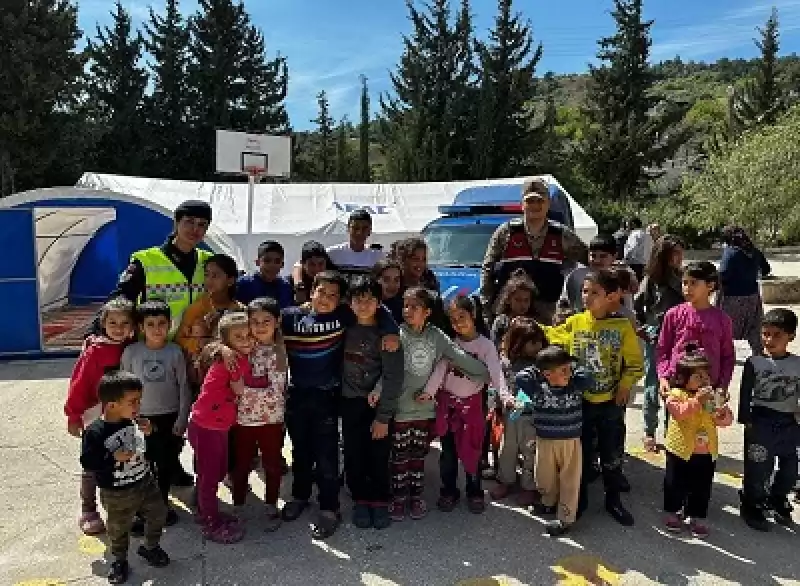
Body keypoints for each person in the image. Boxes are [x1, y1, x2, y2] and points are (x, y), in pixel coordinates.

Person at [279, 270, 399, 539]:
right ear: (311, 292)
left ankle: (329, 506)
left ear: (340, 300)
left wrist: (391, 331)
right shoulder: (289, 317)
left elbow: (378, 311)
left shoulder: (343, 316)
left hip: (328, 396)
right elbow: (256, 322)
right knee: (300, 450)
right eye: (321, 292)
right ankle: (299, 496)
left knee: (327, 454)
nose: (326, 299)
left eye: (333, 295)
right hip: (296, 395)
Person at [103, 199, 214, 488]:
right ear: (176, 222)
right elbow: (122, 297)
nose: (195, 229)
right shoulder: (145, 259)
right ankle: (148, 474)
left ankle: (172, 464)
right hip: (153, 352)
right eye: (189, 222)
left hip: (191, 352)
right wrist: (101, 331)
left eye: (202, 225)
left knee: (182, 411)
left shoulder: (207, 262)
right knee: (153, 414)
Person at [541, 269, 644, 526]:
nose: (586, 296)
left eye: (594, 292)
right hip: (580, 404)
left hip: (610, 404)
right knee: (582, 457)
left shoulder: (622, 327)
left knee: (611, 455)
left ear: (611, 296)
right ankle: (579, 502)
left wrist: (625, 384)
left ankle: (613, 500)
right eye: (585, 291)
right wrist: (529, 324)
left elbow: (635, 364)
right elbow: (553, 336)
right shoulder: (575, 322)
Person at [390, 287, 489, 521]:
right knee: (400, 457)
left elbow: (457, 356)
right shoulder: (397, 334)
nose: (408, 311)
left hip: (425, 411)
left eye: (414, 307)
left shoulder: (437, 337)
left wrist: (483, 374)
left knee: (418, 456)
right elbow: (388, 371)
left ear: (427, 312)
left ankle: (415, 497)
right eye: (405, 306)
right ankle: (398, 498)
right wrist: (377, 392)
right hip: (402, 409)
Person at [425, 295, 515, 515]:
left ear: (473, 315)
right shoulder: (450, 344)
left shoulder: (485, 345)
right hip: (447, 407)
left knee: (472, 451)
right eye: (453, 319)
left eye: (462, 317)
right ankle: (449, 490)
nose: (458, 323)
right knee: (447, 453)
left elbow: (495, 371)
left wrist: (504, 394)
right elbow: (439, 370)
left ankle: (474, 491)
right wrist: (428, 392)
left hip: (473, 407)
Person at [80, 371, 169, 584]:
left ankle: (150, 547)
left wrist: (150, 433)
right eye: (132, 402)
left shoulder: (134, 422)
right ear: (111, 405)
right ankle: (119, 560)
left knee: (158, 514)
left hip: (145, 483)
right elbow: (88, 463)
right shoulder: (95, 432)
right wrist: (112, 457)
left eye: (139, 400)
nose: (138, 406)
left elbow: (151, 450)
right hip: (116, 491)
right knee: (118, 529)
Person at [65, 298, 136, 536]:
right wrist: (73, 414)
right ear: (103, 323)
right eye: (113, 322)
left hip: (125, 414)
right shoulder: (94, 351)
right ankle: (89, 510)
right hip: (97, 414)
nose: (118, 327)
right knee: (94, 463)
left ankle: (127, 504)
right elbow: (79, 383)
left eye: (125, 322)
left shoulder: (133, 346)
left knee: (125, 459)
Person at [341, 276, 404, 530]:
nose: (364, 305)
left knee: (379, 454)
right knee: (354, 454)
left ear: (379, 303)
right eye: (358, 299)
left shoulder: (387, 335)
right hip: (350, 402)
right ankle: (361, 499)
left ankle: (379, 499)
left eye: (370, 300)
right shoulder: (343, 326)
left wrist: (383, 417)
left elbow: (394, 376)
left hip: (378, 407)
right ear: (350, 303)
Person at [120, 301, 190, 530]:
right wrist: (127, 418)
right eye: (150, 324)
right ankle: (143, 507)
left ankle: (161, 503)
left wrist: (182, 418)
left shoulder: (175, 352)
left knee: (165, 463)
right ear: (141, 327)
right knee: (142, 463)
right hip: (141, 419)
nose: (157, 329)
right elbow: (123, 387)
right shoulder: (132, 352)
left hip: (169, 418)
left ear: (169, 325)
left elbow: (183, 387)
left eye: (162, 323)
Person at [480, 178, 588, 325]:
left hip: (548, 314)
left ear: (548, 204)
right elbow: (488, 270)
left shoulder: (561, 234)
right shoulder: (506, 232)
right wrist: (486, 307)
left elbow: (590, 260)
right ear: (522, 205)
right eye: (530, 201)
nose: (535, 206)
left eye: (540, 201)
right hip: (510, 314)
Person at [188, 312, 250, 544]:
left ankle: (207, 511)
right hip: (208, 427)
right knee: (210, 476)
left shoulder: (226, 355)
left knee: (216, 470)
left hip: (215, 425)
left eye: (248, 335)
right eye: (238, 337)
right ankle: (210, 522)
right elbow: (240, 390)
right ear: (226, 341)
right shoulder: (231, 359)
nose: (245, 340)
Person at [228, 297, 288, 532]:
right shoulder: (242, 347)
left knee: (272, 465)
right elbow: (217, 345)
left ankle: (271, 505)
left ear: (277, 322)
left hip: (271, 421)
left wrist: (242, 390)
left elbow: (275, 393)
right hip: (242, 421)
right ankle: (239, 505)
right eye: (254, 321)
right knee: (241, 465)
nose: (260, 326)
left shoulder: (279, 353)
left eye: (266, 320)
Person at [519, 346, 593, 536]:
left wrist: (571, 366)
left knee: (570, 480)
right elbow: (521, 377)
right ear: (547, 374)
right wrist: (538, 368)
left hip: (571, 442)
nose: (569, 373)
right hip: (545, 441)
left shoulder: (575, 386)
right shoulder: (537, 388)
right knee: (544, 477)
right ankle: (547, 502)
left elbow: (588, 377)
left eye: (569, 368)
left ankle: (565, 518)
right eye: (564, 370)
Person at [738, 308, 800, 531]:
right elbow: (745, 394)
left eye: (776, 335)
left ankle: (778, 498)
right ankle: (752, 503)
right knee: (758, 467)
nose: (769, 340)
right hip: (761, 422)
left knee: (790, 468)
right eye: (765, 334)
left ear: (791, 336)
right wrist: (746, 419)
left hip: (790, 424)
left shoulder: (797, 364)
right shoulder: (754, 363)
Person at [663, 346, 733, 538]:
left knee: (701, 487)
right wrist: (697, 401)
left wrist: (722, 412)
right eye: (698, 377)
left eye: (706, 376)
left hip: (705, 452)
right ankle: (674, 511)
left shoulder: (710, 399)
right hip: (679, 450)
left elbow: (724, 422)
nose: (705, 381)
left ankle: (696, 516)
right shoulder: (675, 395)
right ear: (682, 379)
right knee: (675, 483)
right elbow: (679, 413)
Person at [657, 262, 735, 406]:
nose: (687, 288)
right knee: (676, 427)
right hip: (677, 386)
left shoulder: (722, 320)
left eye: (693, 283)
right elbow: (663, 349)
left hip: (708, 388)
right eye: (685, 283)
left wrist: (723, 386)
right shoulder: (673, 315)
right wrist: (663, 377)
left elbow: (728, 356)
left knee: (705, 427)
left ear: (710, 286)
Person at [635, 235, 686, 451]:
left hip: (680, 338)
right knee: (653, 386)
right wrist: (642, 329)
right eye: (674, 254)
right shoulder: (652, 281)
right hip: (656, 337)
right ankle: (649, 431)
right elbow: (638, 307)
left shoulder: (684, 278)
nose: (679, 258)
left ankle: (671, 430)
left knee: (676, 386)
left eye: (680, 253)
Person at [491, 317, 548, 504]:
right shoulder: (506, 363)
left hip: (533, 417)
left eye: (539, 340)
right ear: (518, 342)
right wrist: (500, 404)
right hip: (510, 416)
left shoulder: (544, 365)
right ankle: (506, 480)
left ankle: (529, 486)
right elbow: (500, 385)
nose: (537, 345)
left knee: (531, 452)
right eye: (532, 342)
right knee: (507, 450)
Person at [175, 253, 245, 376]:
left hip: (234, 373)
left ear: (230, 280)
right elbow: (180, 340)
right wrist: (201, 342)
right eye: (207, 275)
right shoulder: (196, 309)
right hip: (202, 375)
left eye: (215, 276)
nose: (209, 280)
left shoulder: (241, 311)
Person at [718, 225, 772, 356]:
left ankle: (723, 355)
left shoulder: (731, 252)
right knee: (754, 327)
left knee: (724, 328)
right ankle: (758, 354)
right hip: (753, 297)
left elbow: (723, 274)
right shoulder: (755, 251)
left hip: (732, 298)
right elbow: (766, 269)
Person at [560, 234, 638, 316]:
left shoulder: (620, 278)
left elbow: (628, 306)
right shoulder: (576, 276)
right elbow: (564, 302)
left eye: (603, 256)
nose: (597, 260)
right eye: (593, 256)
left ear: (614, 256)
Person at [326, 209, 386, 285]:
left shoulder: (377, 255)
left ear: (370, 231)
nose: (359, 233)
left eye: (364, 228)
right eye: (355, 228)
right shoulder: (332, 253)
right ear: (348, 228)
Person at [490, 269, 539, 350]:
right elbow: (495, 347)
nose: (522, 304)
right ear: (508, 300)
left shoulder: (535, 321)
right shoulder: (501, 322)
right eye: (518, 300)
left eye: (526, 300)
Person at [235, 241, 294, 308]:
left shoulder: (285, 287)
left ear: (282, 264)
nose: (272, 265)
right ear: (257, 262)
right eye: (267, 261)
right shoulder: (243, 284)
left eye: (277, 261)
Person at [289, 240, 332, 305]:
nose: (317, 269)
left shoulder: (333, 282)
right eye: (312, 264)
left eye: (321, 264)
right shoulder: (289, 283)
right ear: (303, 264)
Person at [372, 258, 404, 324]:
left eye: (396, 280)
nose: (392, 285)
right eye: (386, 279)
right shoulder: (365, 304)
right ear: (376, 280)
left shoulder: (403, 308)